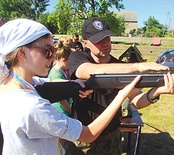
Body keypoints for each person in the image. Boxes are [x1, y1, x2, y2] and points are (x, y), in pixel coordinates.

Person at [0, 18, 143, 155]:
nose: (52, 57)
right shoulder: (33, 107)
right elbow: (88, 134)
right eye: (47, 51)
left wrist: (75, 85)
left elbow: (45, 85)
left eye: (54, 51)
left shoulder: (13, 84)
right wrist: (121, 96)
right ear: (22, 53)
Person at [68, 17, 174, 155]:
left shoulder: (120, 67)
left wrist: (156, 92)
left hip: (111, 136)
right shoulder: (78, 58)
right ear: (85, 43)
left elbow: (137, 101)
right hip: (82, 137)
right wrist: (136, 66)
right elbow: (90, 71)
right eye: (98, 40)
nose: (105, 43)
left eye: (107, 38)